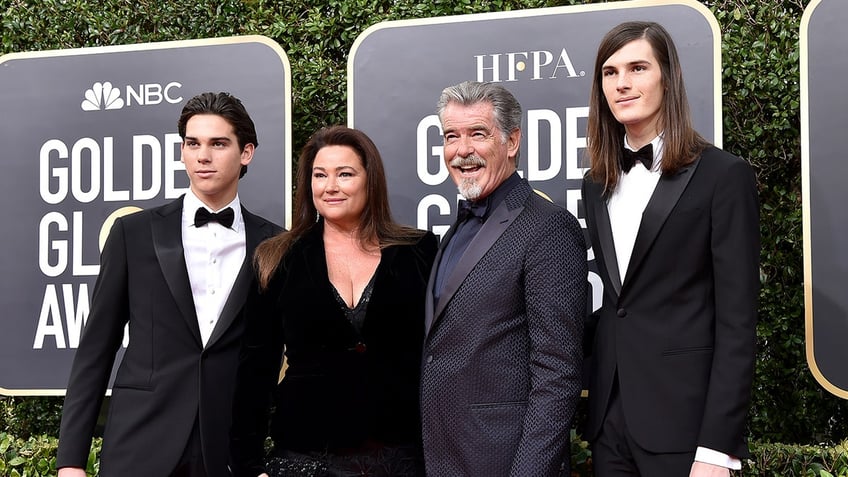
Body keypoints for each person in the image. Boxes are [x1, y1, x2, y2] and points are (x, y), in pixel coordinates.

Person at [56, 92, 282, 477]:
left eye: (218, 144)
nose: (202, 156)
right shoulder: (134, 234)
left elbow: (266, 364)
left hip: (226, 451)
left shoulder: (274, 244)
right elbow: (96, 350)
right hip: (140, 444)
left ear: (246, 153)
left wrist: (256, 460)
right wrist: (71, 460)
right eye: (192, 144)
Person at [581, 21, 759, 476]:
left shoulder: (723, 175)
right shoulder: (596, 183)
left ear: (669, 77)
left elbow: (737, 323)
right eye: (609, 72)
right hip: (609, 425)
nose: (622, 83)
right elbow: (619, 304)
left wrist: (718, 449)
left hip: (685, 427)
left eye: (637, 68)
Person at [229, 125, 438, 477]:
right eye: (319, 175)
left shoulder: (419, 252)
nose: (330, 187)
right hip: (303, 458)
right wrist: (249, 466)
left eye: (345, 174)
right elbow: (255, 369)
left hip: (401, 458)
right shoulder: (277, 258)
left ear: (371, 181)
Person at [419, 81, 587, 476]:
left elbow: (558, 371)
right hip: (443, 459)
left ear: (512, 142)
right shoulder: (453, 232)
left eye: (478, 134)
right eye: (451, 137)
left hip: (505, 462)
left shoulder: (548, 228)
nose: (462, 151)